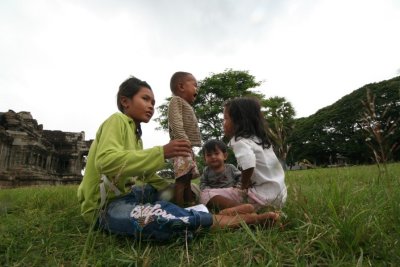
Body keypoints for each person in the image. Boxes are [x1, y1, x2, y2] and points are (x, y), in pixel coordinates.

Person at [77, 76, 280, 242]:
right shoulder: (117, 120)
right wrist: (162, 152)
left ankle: (204, 210)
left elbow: (145, 174)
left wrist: (170, 187)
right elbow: (106, 162)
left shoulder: (135, 135)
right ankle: (235, 219)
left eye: (153, 103)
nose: (151, 106)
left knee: (181, 191)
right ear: (125, 101)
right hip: (106, 207)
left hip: (131, 195)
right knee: (152, 219)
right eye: (145, 99)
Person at [200, 97, 287, 211]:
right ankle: (250, 210)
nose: (223, 123)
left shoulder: (240, 141)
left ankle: (242, 210)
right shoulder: (260, 141)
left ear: (238, 121)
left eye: (225, 118)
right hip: (280, 197)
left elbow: (249, 164)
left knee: (205, 195)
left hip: (260, 198)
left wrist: (244, 185)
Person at [167, 71, 201, 207]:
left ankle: (190, 202)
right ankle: (179, 205)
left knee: (187, 177)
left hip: (187, 146)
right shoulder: (176, 101)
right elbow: (176, 122)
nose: (196, 89)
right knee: (182, 177)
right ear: (181, 87)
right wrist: (183, 140)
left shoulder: (187, 105)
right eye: (194, 85)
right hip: (181, 145)